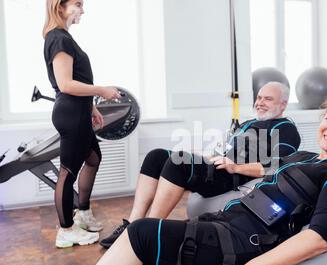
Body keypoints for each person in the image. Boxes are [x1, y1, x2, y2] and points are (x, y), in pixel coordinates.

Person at [0, 92, 327, 265]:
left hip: (237, 246)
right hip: (220, 228)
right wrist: (232, 165)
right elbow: (268, 170)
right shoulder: (306, 156)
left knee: (142, 234)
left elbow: (320, 238)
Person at [99, 81, 301, 248]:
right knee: (156, 156)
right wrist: (203, 155)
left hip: (233, 176)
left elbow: (277, 166)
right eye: (259, 97)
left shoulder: (285, 128)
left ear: (283, 104)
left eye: (268, 99)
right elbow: (225, 150)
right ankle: (133, 223)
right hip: (219, 166)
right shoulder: (248, 123)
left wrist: (236, 167)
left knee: (179, 164)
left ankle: (147, 231)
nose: (260, 102)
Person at [43, 0, 122, 248]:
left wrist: (92, 106)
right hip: (71, 113)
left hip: (79, 110)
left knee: (93, 158)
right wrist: (102, 91)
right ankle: (66, 230)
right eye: (77, 4)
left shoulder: (64, 37)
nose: (82, 10)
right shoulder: (58, 38)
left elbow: (75, 80)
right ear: (60, 6)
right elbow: (65, 84)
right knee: (67, 172)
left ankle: (83, 213)